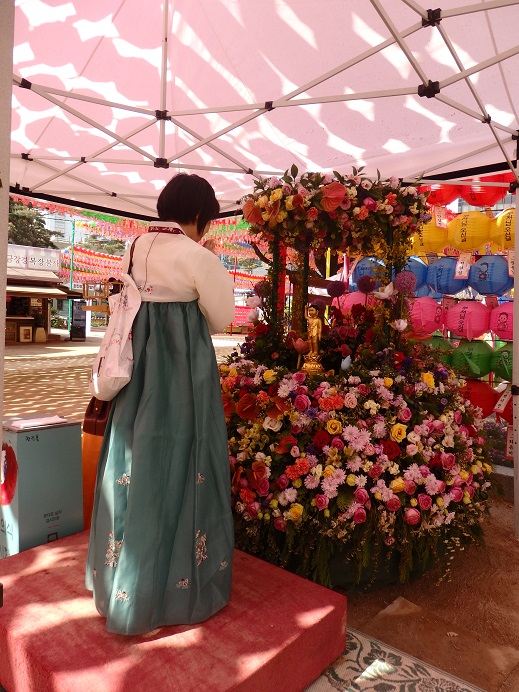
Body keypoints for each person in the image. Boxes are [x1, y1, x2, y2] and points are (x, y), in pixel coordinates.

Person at [85, 173, 236, 635]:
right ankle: (175, 586)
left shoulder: (133, 247)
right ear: (198, 216)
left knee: (133, 459)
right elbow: (223, 317)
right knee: (186, 460)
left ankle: (123, 583)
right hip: (182, 373)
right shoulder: (197, 257)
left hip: (137, 373)